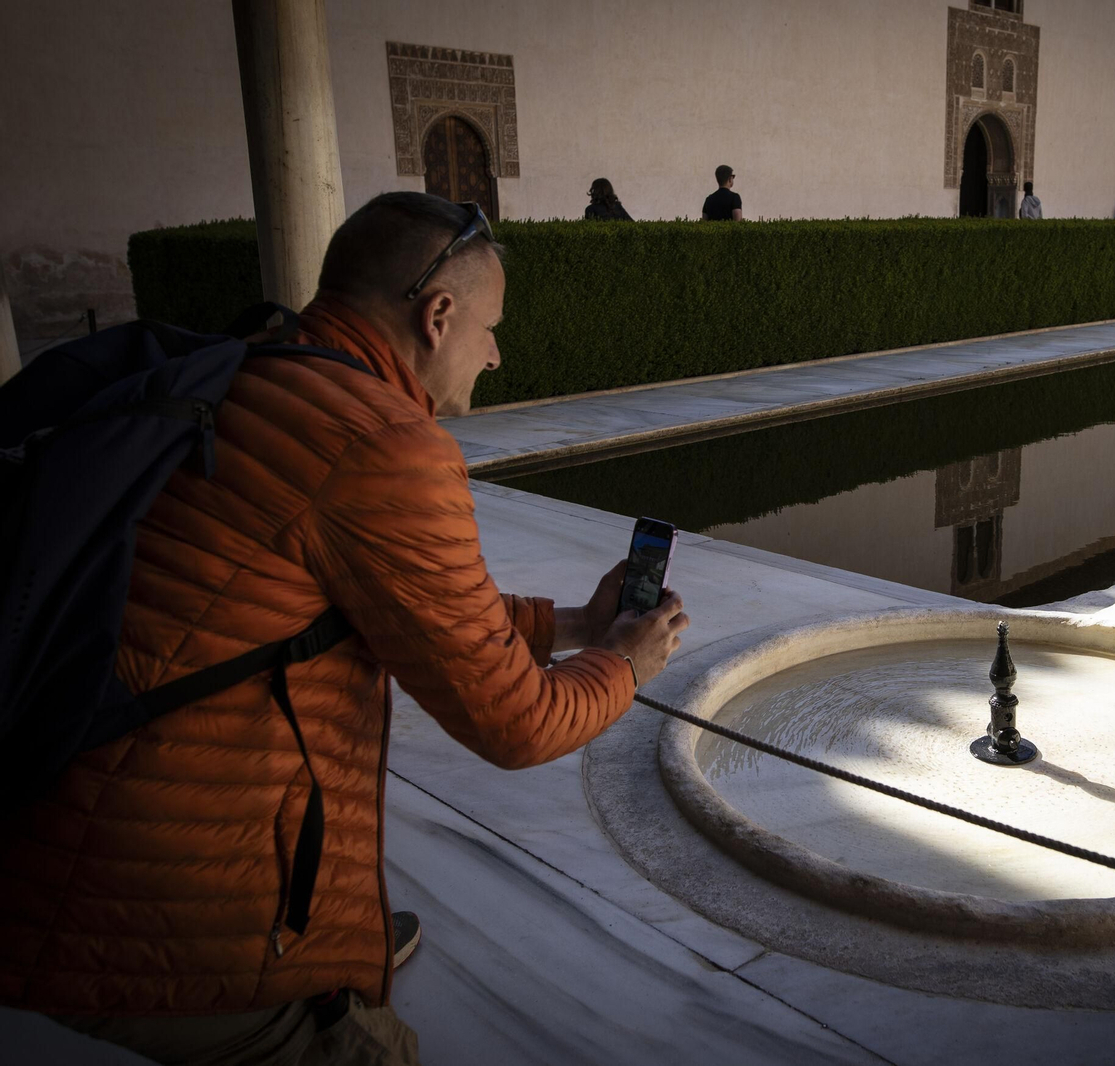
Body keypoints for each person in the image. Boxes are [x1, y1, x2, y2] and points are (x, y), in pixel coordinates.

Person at [0, 192, 690, 1063]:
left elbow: (419, 611)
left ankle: (343, 932)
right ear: (437, 316)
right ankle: (317, 972)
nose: (497, 354)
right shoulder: (382, 443)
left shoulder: (254, 367)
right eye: (490, 328)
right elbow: (517, 724)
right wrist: (625, 664)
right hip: (155, 909)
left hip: (60, 829)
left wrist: (584, 623)